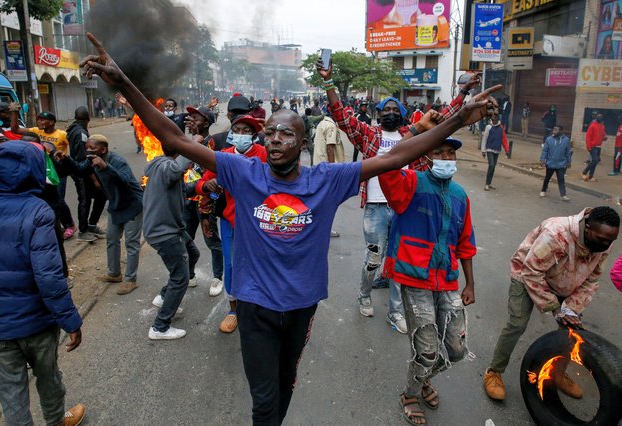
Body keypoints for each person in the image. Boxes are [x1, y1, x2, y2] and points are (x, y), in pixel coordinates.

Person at [80, 32, 498, 424]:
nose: (276, 139)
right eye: (271, 132)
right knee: (264, 400)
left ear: (302, 142)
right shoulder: (243, 172)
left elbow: (395, 156)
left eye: (287, 133)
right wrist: (125, 85)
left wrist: (458, 119)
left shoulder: (326, 181)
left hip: (301, 306)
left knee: (285, 384)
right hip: (255, 305)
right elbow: (173, 138)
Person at [322, 60, 480, 334]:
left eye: (396, 110)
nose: (391, 113)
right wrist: (328, 83)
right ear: (379, 113)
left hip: (406, 208)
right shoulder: (369, 135)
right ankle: (364, 294)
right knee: (374, 257)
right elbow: (342, 116)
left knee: (395, 262)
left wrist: (464, 92)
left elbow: (449, 117)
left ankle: (396, 312)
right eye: (387, 109)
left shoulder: (415, 136)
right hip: (375, 207)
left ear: (404, 115)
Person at [0, 140, 86, 426]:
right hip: (37, 323)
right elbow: (49, 277)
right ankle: (56, 422)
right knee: (49, 378)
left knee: (10, 393)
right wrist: (71, 320)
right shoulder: (38, 210)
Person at [379, 137, 476, 426]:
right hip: (415, 279)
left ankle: (424, 378)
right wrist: (418, 136)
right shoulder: (410, 184)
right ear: (427, 156)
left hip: (447, 281)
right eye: (439, 152)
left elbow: (466, 242)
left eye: (451, 153)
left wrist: (470, 283)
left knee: (457, 349)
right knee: (427, 349)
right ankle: (411, 394)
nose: (446, 157)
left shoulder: (460, 195)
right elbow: (386, 168)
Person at [484, 207, 620, 402]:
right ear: (588, 228)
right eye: (602, 239)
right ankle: (494, 371)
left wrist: (571, 308)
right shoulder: (557, 233)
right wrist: (555, 308)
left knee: (570, 329)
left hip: (565, 279)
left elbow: (592, 280)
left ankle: (557, 373)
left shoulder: (603, 240)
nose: (606, 245)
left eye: (611, 240)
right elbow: (531, 271)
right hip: (527, 274)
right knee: (517, 324)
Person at [195, 115, 267, 333]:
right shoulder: (222, 157)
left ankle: (259, 306)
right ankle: (234, 310)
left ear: (254, 136)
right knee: (232, 264)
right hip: (230, 221)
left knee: (260, 264)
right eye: (237, 130)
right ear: (231, 133)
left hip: (259, 222)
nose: (241, 134)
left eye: (247, 131)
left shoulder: (264, 154)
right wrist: (207, 185)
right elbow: (199, 182)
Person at [143, 138, 200, 340]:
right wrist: (193, 149)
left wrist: (204, 187)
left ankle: (164, 296)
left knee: (193, 253)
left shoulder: (161, 164)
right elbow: (176, 171)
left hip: (170, 229)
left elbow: (184, 190)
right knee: (181, 277)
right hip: (164, 233)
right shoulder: (167, 166)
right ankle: (160, 327)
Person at [84, 134, 143, 295]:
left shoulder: (117, 161)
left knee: (131, 243)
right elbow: (79, 169)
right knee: (111, 239)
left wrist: (106, 166)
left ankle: (130, 279)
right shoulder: (91, 160)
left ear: (103, 149)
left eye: (92, 148)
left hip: (132, 204)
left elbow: (124, 180)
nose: (89, 151)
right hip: (116, 205)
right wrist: (63, 160)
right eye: (87, 148)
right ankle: (114, 273)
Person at [9, 106, 77, 240]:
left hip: (57, 171)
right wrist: (15, 113)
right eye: (38, 120)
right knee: (44, 199)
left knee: (59, 200)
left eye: (42, 120)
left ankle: (70, 225)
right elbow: (15, 130)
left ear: (51, 122)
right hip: (40, 169)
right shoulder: (35, 132)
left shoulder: (62, 135)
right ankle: (50, 224)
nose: (39, 122)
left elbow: (73, 147)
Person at [184, 105, 225, 294]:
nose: (191, 120)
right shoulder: (184, 141)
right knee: (185, 238)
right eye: (189, 117)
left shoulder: (212, 143)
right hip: (187, 199)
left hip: (205, 201)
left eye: (196, 118)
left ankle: (218, 277)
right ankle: (189, 275)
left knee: (212, 240)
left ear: (206, 123)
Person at [67, 106, 108, 242]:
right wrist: (94, 178)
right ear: (88, 118)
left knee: (101, 195)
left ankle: (91, 225)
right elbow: (83, 157)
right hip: (81, 172)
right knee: (84, 200)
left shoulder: (75, 129)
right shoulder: (80, 133)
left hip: (82, 170)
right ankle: (83, 231)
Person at [539, 125, 571, 201]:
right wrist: (542, 159)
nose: (554, 131)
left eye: (557, 130)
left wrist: (569, 161)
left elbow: (568, 152)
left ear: (561, 131)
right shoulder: (549, 139)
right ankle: (543, 190)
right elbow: (545, 150)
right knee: (547, 178)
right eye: (554, 129)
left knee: (561, 179)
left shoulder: (566, 140)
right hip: (550, 163)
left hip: (561, 164)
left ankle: (563, 195)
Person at [481, 115, 510, 191]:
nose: (492, 121)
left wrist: (507, 150)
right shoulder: (488, 127)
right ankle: (487, 184)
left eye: (494, 120)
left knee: (493, 167)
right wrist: (483, 150)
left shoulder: (501, 128)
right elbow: (484, 139)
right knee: (491, 165)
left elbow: (504, 139)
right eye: (492, 119)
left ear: (498, 120)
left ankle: (489, 183)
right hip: (489, 149)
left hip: (497, 150)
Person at [581, 112, 607, 182]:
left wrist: (604, 137)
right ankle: (584, 172)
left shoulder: (602, 126)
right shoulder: (592, 126)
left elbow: (603, 134)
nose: (599, 118)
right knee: (595, 160)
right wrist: (588, 146)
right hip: (592, 146)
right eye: (598, 117)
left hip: (599, 146)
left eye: (601, 117)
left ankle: (591, 176)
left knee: (595, 162)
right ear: (596, 118)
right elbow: (588, 137)